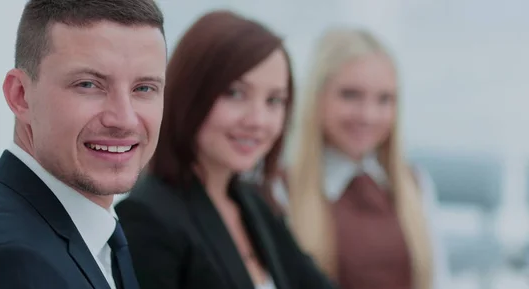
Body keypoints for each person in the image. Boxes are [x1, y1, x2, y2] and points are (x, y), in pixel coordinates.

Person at [0, 0, 166, 288]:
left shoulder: (83, 233)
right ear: (21, 96)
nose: (125, 120)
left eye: (144, 88)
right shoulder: (12, 264)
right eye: (88, 84)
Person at [115, 10, 336, 289]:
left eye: (274, 100)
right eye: (235, 93)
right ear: (189, 93)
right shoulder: (147, 217)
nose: (257, 120)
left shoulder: (254, 205)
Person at [278, 29, 451, 289]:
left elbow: (439, 281)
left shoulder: (414, 184)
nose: (368, 115)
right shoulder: (280, 189)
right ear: (317, 97)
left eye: (384, 99)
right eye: (350, 95)